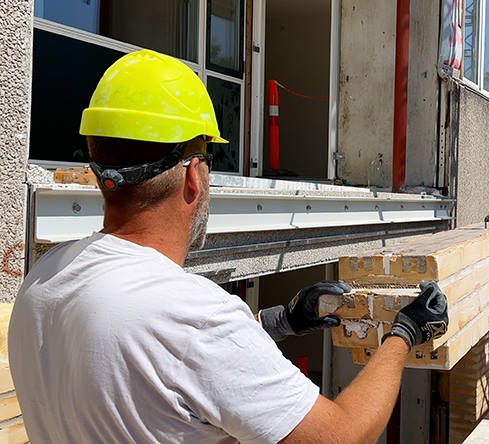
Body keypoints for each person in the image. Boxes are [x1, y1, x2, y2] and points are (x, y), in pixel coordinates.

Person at [8, 49, 449, 443]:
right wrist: (403, 335)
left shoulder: (43, 281)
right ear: (193, 177)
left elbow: (165, 366)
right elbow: (344, 436)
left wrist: (280, 321)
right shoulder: (191, 316)